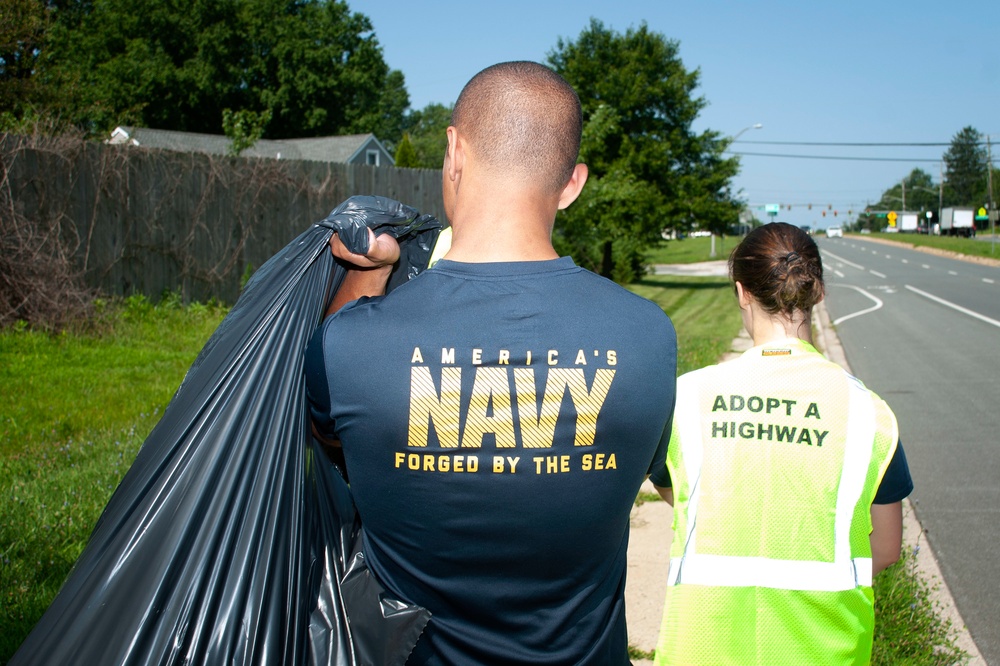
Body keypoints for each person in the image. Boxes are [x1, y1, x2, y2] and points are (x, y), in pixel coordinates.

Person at [304, 61, 677, 665]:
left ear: (454, 152)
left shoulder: (351, 345)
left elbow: (328, 433)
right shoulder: (647, 336)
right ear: (573, 183)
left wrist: (368, 275)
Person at [651, 222, 913, 665]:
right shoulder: (868, 412)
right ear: (818, 292)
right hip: (824, 651)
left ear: (742, 292)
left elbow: (683, 496)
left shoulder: (686, 398)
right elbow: (886, 548)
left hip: (702, 646)